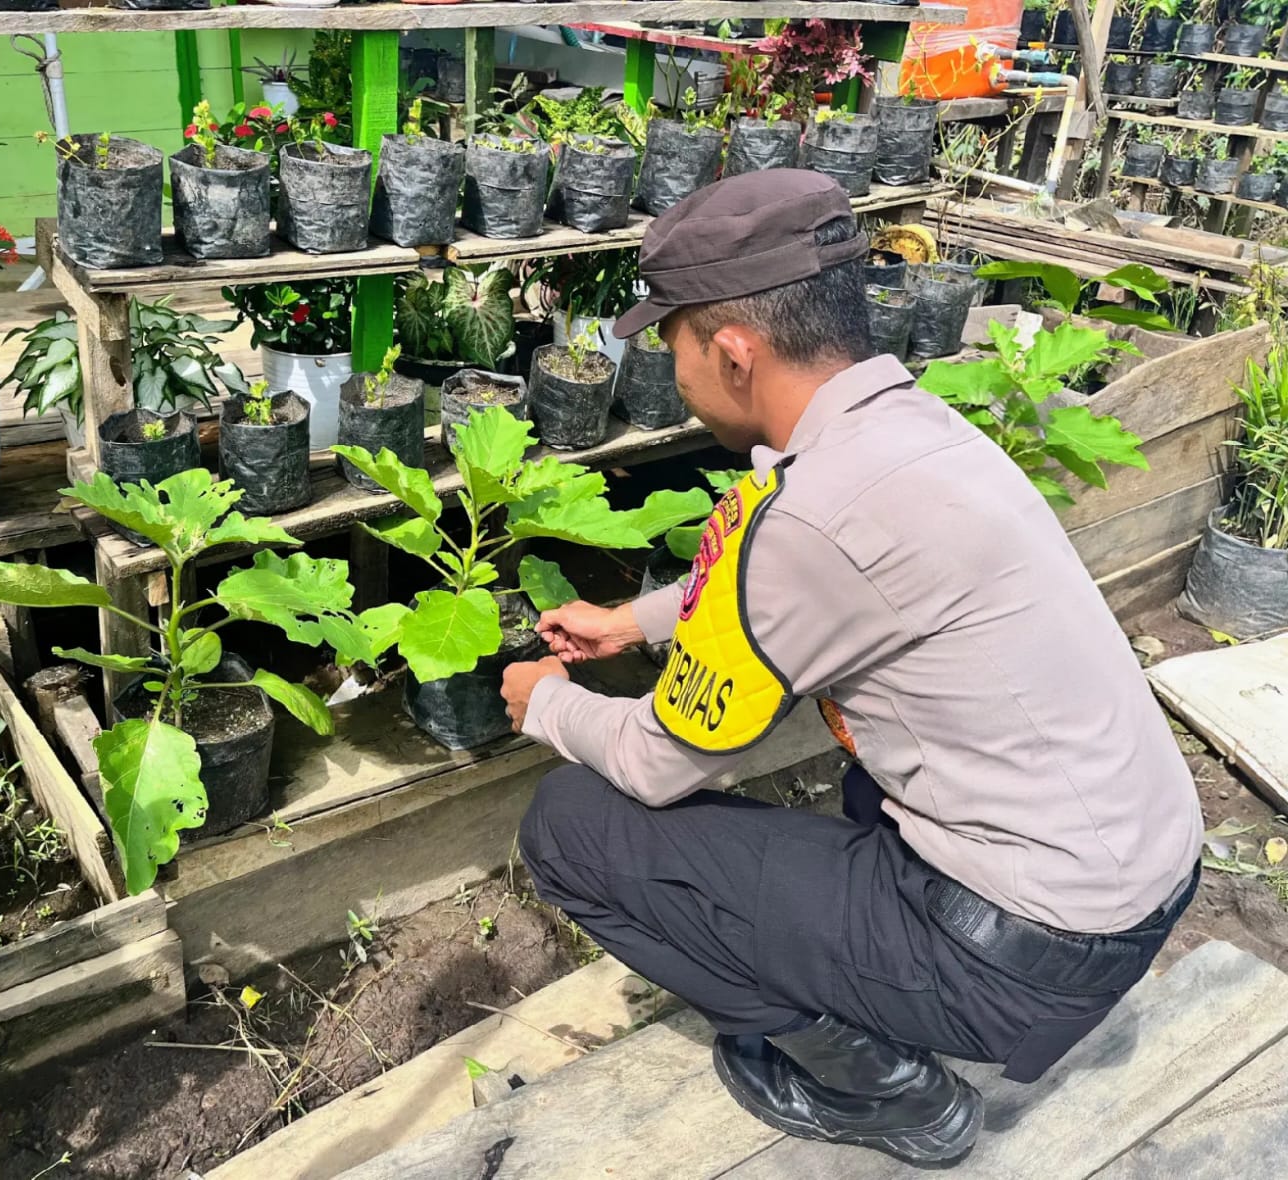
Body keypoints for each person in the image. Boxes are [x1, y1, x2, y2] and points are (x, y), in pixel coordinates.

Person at [498, 169, 1202, 1166]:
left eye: (672, 342)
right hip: (1136, 882)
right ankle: (904, 989)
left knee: (572, 826)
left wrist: (548, 703)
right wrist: (631, 621)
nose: (673, 369)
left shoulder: (814, 514)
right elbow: (793, 582)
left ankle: (896, 1095)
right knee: (865, 784)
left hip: (1038, 953)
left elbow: (659, 761)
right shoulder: (909, 427)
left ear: (731, 351)